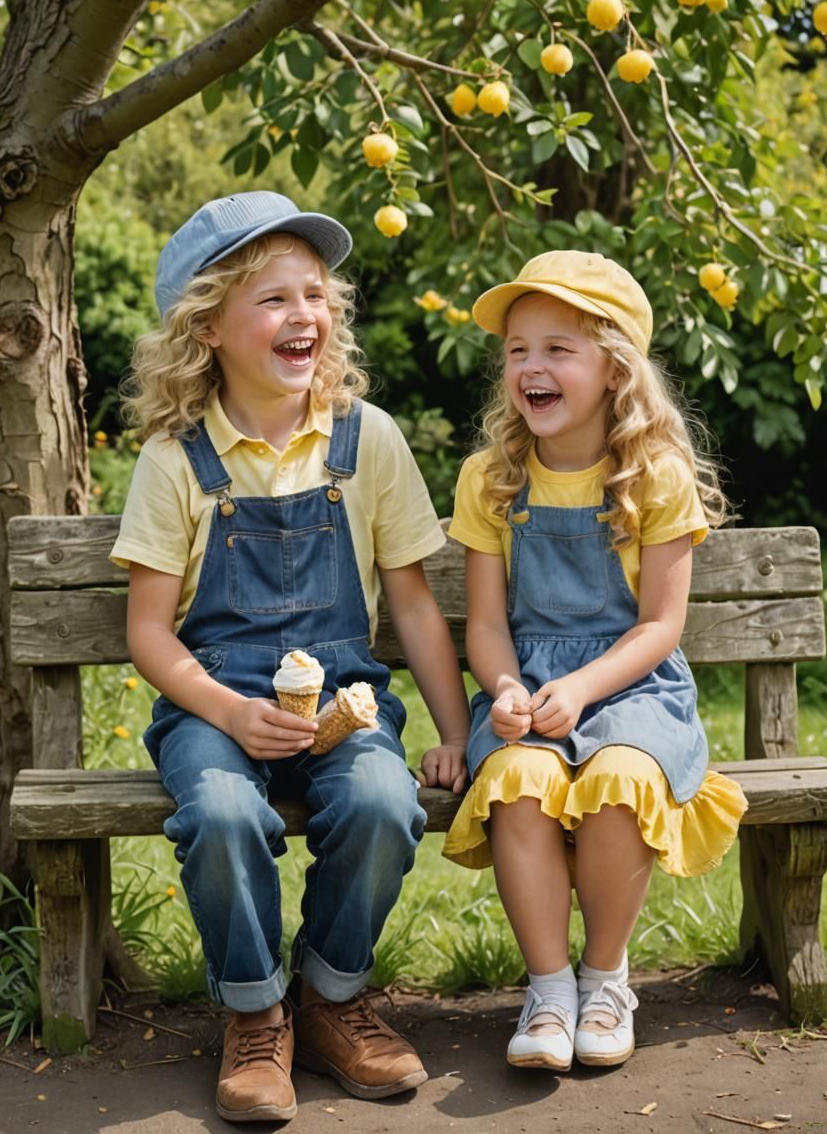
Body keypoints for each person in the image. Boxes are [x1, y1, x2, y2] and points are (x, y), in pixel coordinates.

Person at [110, 191, 470, 1123]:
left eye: (315, 294)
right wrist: (228, 712)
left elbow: (413, 603)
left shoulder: (366, 438)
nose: (303, 313)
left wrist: (455, 731)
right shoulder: (176, 460)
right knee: (222, 813)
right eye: (272, 299)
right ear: (208, 327)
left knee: (384, 801)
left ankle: (331, 998)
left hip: (346, 697)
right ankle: (255, 1014)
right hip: (213, 706)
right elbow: (149, 630)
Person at [442, 251, 748, 1073]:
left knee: (620, 778)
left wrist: (580, 688)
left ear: (615, 368)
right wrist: (505, 687)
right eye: (517, 350)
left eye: (557, 349)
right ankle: (548, 991)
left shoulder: (654, 478)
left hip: (633, 686)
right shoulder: (491, 478)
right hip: (529, 687)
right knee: (520, 780)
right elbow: (486, 625)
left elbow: (659, 627)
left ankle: (606, 980)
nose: (530, 367)